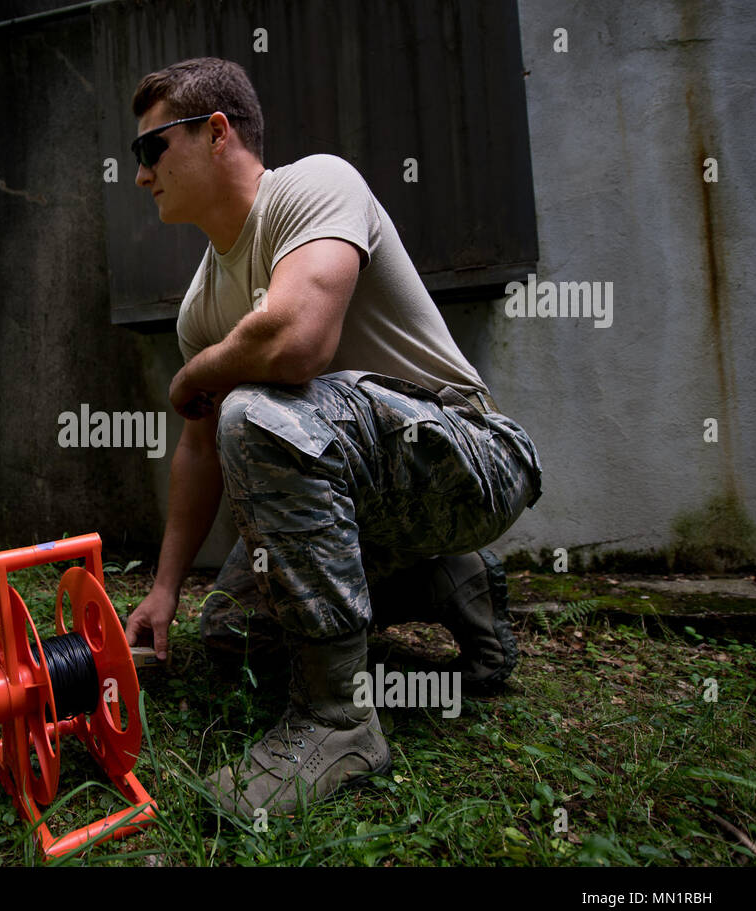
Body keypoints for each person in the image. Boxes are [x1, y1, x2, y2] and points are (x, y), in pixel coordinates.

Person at [122, 58, 543, 816]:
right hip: (375, 494)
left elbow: (296, 341)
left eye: (151, 150)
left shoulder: (315, 185)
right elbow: (197, 447)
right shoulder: (200, 306)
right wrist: (164, 590)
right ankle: (448, 582)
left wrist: (193, 381)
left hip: (473, 459)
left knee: (254, 409)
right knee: (228, 630)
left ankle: (339, 720)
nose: (142, 175)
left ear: (217, 133)